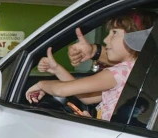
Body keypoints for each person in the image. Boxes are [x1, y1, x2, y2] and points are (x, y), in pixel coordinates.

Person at [26, 11, 155, 120]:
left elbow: (61, 90)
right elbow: (86, 97)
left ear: (137, 38)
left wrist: (41, 84)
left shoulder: (118, 73)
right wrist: (57, 69)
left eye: (114, 33)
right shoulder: (136, 71)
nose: (106, 40)